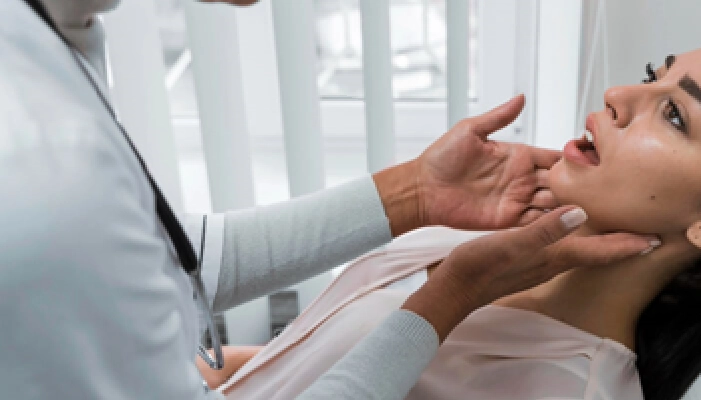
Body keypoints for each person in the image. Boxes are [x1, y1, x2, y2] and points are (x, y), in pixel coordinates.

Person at [0, 1, 658, 399]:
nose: (618, 94)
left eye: (676, 112)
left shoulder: (51, 33)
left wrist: (414, 194)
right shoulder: (45, 179)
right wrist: (451, 294)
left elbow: (157, 255)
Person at [200, 39, 701, 400]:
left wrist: (453, 294)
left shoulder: (569, 388)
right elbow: (306, 360)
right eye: (652, 74)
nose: (619, 94)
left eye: (674, 115)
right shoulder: (482, 236)